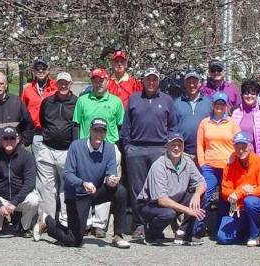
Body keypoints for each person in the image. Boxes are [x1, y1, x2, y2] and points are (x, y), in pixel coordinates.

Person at [33, 118, 131, 248]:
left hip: (95, 191)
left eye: (102, 131)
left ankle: (118, 235)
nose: (98, 134)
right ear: (90, 131)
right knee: (74, 240)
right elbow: (68, 175)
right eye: (96, 130)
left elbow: (110, 175)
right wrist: (82, 183)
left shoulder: (109, 149)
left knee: (120, 191)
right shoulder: (76, 146)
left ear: (106, 133)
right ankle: (47, 221)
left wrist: (111, 181)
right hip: (76, 194)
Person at [120, 67, 177, 237]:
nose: (151, 82)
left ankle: (155, 225)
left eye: (154, 79)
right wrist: (128, 148)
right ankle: (138, 224)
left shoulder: (167, 100)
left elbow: (173, 127)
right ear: (143, 81)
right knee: (137, 190)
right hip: (136, 149)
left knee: (158, 189)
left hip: (159, 149)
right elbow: (126, 128)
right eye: (148, 79)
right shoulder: (134, 99)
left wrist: (168, 149)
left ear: (158, 81)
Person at [73, 68, 125, 238]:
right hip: (86, 148)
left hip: (109, 149)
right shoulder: (82, 101)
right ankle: (86, 222)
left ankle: (100, 224)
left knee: (107, 185)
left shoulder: (116, 102)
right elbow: (77, 124)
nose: (98, 83)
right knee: (87, 183)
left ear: (107, 80)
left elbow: (120, 126)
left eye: (101, 80)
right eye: (94, 80)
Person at [137, 133, 206, 245]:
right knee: (169, 214)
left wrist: (197, 195)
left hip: (174, 198)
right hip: (149, 204)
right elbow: (162, 200)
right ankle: (150, 233)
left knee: (202, 193)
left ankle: (184, 233)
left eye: (179, 145)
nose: (176, 148)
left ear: (183, 147)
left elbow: (201, 182)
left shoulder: (187, 161)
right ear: (167, 146)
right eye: (173, 145)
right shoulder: (158, 165)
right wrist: (187, 210)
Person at [0, 127, 40, 238]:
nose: (9, 141)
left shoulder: (27, 156)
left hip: (20, 198)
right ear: (1, 140)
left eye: (12, 138)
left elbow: (30, 183)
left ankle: (24, 227)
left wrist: (14, 202)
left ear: (18, 139)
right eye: (6, 138)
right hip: (2, 197)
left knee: (34, 200)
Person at [35, 72, 77, 227]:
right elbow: (42, 121)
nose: (63, 85)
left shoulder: (76, 102)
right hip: (48, 148)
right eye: (60, 82)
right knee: (47, 187)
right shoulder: (47, 102)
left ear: (71, 84)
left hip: (67, 150)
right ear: (56, 84)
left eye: (66, 82)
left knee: (66, 187)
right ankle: (47, 220)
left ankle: (65, 221)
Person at [194, 92, 240, 236]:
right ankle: (198, 228)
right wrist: (202, 163)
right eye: (217, 104)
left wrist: (235, 160)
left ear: (226, 106)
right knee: (205, 195)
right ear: (212, 105)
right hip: (209, 166)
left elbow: (239, 143)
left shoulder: (232, 123)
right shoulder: (205, 122)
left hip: (228, 166)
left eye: (222, 104)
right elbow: (200, 145)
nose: (219, 106)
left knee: (225, 198)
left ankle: (220, 228)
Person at [216, 132, 260, 246]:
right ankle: (246, 229)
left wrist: (240, 192)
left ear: (250, 146)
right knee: (222, 238)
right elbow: (225, 191)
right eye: (237, 146)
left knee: (250, 201)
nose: (241, 150)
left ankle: (255, 234)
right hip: (237, 209)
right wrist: (240, 191)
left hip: (256, 205)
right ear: (234, 147)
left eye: (244, 146)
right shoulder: (230, 165)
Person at [0, 71, 33, 161]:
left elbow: (28, 125)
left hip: (13, 156)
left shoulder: (17, 102)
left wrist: (23, 143)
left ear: (6, 85)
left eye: (1, 83)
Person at [174, 70, 213, 159]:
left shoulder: (209, 103)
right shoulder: (177, 103)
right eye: (189, 82)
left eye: (194, 82)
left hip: (205, 152)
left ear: (200, 83)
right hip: (183, 153)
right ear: (184, 83)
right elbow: (172, 127)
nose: (192, 85)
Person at [21, 58, 57, 150]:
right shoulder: (27, 90)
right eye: (37, 68)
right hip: (34, 131)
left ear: (48, 70)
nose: (41, 71)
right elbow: (22, 110)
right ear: (33, 71)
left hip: (52, 129)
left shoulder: (56, 87)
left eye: (43, 68)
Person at [231, 80, 260, 156]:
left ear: (257, 95)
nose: (249, 96)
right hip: (237, 155)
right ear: (242, 95)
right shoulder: (233, 111)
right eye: (246, 93)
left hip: (257, 156)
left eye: (253, 93)